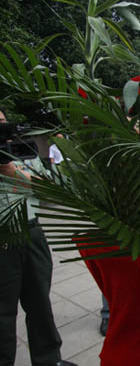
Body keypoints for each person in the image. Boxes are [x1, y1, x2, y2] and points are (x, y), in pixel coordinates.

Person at [0, 109, 77, 366]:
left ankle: (49, 360)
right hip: (3, 240)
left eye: (2, 123)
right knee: (3, 314)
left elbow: (46, 187)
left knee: (40, 305)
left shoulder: (22, 152)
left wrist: (13, 172)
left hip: (32, 233)